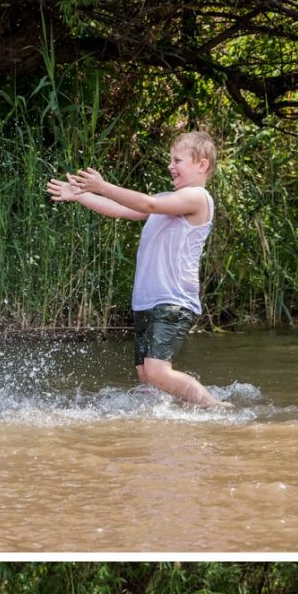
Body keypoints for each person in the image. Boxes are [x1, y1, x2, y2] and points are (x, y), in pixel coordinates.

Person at [45, 130, 220, 407]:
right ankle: (160, 428)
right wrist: (80, 196)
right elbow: (122, 209)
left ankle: (217, 410)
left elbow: (147, 203)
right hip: (149, 301)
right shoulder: (167, 199)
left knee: (156, 372)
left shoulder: (197, 198)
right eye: (170, 160)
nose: (170, 166)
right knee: (147, 377)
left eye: (177, 160)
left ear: (202, 165)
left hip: (173, 301)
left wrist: (102, 186)